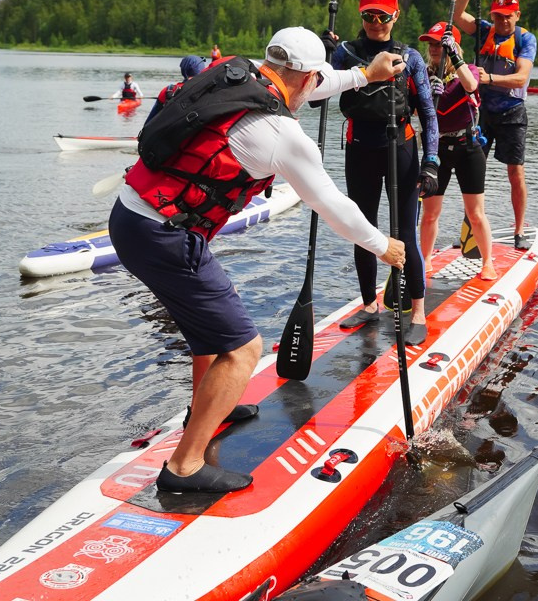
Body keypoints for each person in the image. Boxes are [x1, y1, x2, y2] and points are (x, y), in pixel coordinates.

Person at [108, 27, 407, 494]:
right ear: (304, 77)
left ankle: (206, 410)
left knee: (210, 333)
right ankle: (184, 467)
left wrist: (364, 75)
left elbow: (316, 81)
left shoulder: (236, 74)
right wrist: (382, 246)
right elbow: (334, 208)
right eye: (314, 80)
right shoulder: (282, 135)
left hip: (131, 214)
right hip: (164, 235)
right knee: (243, 349)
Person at [331, 0, 440, 342]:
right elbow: (316, 99)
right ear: (360, 15)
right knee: (362, 230)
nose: (375, 22)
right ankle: (369, 304)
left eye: (382, 15)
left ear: (395, 15)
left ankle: (419, 312)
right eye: (368, 15)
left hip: (401, 149)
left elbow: (427, 110)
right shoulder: (345, 53)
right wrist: (323, 60)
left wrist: (432, 161)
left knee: (404, 233)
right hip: (360, 147)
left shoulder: (410, 57)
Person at [452, 0, 537, 249]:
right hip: (482, 111)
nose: (501, 21)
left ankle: (519, 230)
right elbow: (457, 16)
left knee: (516, 173)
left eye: (507, 16)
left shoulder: (526, 39)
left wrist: (487, 78)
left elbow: (521, 77)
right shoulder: (485, 30)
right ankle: (469, 233)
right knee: (473, 169)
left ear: (517, 15)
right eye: (498, 15)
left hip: (512, 112)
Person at [417, 22, 497, 281]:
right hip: (436, 148)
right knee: (430, 214)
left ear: (451, 46)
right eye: (431, 44)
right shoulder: (425, 73)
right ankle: (425, 260)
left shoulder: (468, 68)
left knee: (475, 213)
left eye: (439, 44)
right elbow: (419, 111)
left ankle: (487, 262)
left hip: (468, 147)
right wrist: (427, 91)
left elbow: (472, 86)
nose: (434, 48)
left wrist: (456, 57)